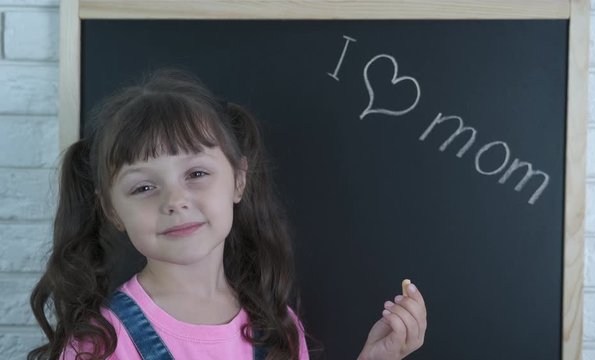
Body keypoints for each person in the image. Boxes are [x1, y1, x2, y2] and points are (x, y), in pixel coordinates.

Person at [28, 68, 427, 360]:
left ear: (239, 180)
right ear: (111, 209)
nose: (175, 200)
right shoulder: (101, 344)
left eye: (197, 174)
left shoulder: (276, 327)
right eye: (144, 187)